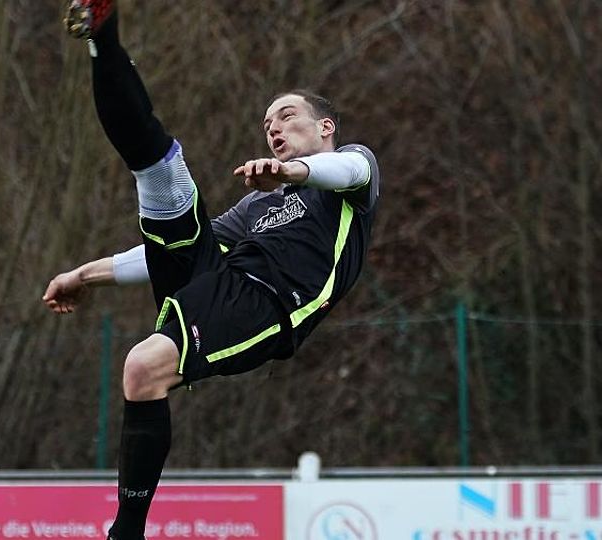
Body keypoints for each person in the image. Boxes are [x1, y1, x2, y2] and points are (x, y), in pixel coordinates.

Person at [44, 3, 381, 539]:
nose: (273, 127)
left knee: (141, 367)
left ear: (325, 126)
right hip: (221, 281)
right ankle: (103, 36)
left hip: (268, 306)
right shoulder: (256, 209)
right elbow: (157, 254)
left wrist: (290, 170)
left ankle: (125, 531)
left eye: (286, 116)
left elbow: (344, 168)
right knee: (160, 173)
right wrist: (83, 275)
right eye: (267, 123)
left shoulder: (351, 176)